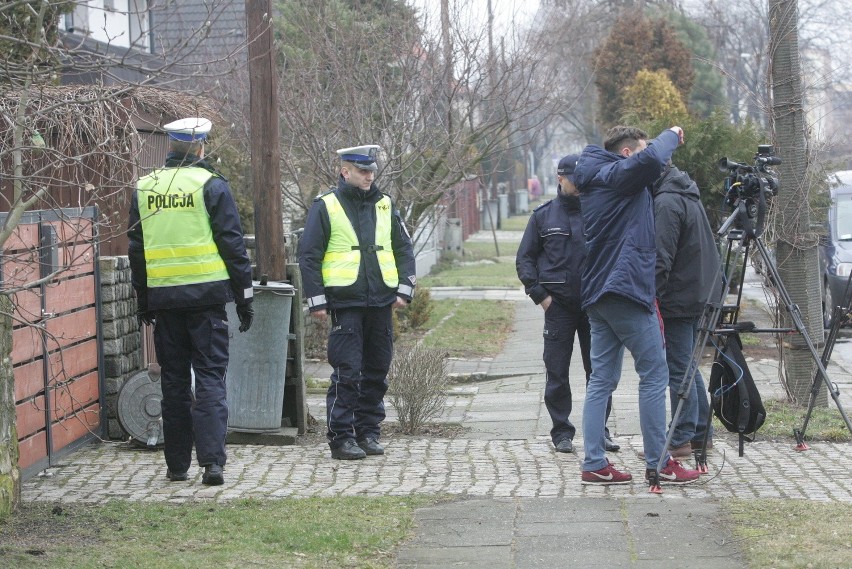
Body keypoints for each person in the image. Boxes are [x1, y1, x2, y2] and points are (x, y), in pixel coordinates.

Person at [128, 117, 254, 486]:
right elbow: (233, 246)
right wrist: (244, 298)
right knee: (211, 378)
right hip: (207, 300)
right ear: (200, 147)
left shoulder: (144, 187)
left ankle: (177, 466)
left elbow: (137, 250)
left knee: (174, 383)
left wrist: (143, 298)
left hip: (165, 302)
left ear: (171, 146)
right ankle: (213, 465)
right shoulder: (211, 185)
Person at [573, 125, 700, 486]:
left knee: (601, 381)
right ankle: (660, 463)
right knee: (655, 375)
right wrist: (674, 133)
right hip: (626, 291)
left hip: (598, 294)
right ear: (628, 153)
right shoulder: (617, 175)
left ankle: (594, 463)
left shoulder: (597, 178)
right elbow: (653, 157)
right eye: (641, 151)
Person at [298, 144, 416, 460]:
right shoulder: (326, 205)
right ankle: (341, 437)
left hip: (380, 300)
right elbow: (308, 255)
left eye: (371, 170)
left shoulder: (385, 205)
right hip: (345, 301)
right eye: (363, 171)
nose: (369, 176)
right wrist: (317, 300)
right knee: (348, 371)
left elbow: (404, 249)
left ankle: (368, 433)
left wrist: (405, 288)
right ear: (344, 170)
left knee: (377, 370)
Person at [516, 154, 619, 454]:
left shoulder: (599, 211)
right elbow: (525, 259)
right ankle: (562, 432)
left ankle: (600, 430)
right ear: (561, 178)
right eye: (576, 179)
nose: (580, 184)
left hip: (595, 305)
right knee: (557, 372)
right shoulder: (543, 216)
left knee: (599, 372)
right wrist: (540, 296)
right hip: (558, 306)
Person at [653, 161, 721, 459]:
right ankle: (700, 433)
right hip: (696, 294)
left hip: (678, 298)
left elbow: (661, 256)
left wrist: (651, 297)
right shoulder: (685, 194)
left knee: (679, 370)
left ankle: (680, 438)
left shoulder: (666, 201)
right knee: (688, 368)